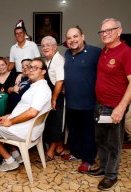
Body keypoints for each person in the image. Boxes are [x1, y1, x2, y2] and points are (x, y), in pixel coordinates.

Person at [88, 18, 131, 191]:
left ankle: (111, 175)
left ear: (119, 31)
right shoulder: (104, 51)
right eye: (102, 31)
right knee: (101, 140)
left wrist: (121, 108)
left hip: (115, 107)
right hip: (100, 105)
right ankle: (104, 168)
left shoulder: (126, 52)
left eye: (109, 30)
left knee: (114, 143)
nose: (104, 34)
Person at [0, 58, 51, 171]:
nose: (31, 70)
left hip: (25, 130)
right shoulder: (35, 85)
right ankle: (17, 156)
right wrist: (9, 115)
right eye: (30, 67)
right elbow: (25, 108)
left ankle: (10, 161)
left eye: (35, 68)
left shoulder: (42, 89)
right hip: (28, 127)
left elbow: (32, 112)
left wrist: (11, 121)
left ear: (43, 72)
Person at [62, 26, 101, 173]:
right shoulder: (66, 53)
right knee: (73, 131)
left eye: (75, 36)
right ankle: (76, 153)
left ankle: (88, 160)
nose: (72, 40)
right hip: (71, 102)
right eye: (69, 37)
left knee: (88, 133)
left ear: (82, 36)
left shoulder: (95, 52)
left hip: (89, 103)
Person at [40, 36, 65, 161]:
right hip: (50, 96)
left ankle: (50, 152)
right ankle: (58, 147)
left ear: (55, 47)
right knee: (49, 123)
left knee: (56, 123)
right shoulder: (47, 61)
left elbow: (60, 82)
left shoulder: (58, 60)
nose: (45, 48)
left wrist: (54, 99)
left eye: (48, 45)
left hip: (58, 96)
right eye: (43, 45)